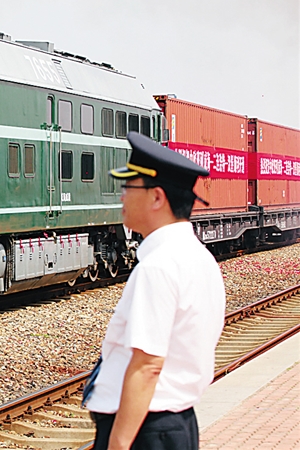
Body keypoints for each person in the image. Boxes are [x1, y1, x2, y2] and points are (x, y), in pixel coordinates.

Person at [84, 131, 225, 450]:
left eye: (128, 188)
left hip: (144, 430)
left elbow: (148, 365)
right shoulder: (199, 257)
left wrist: (118, 444)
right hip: (174, 423)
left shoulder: (159, 266)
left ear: (157, 198)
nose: (122, 197)